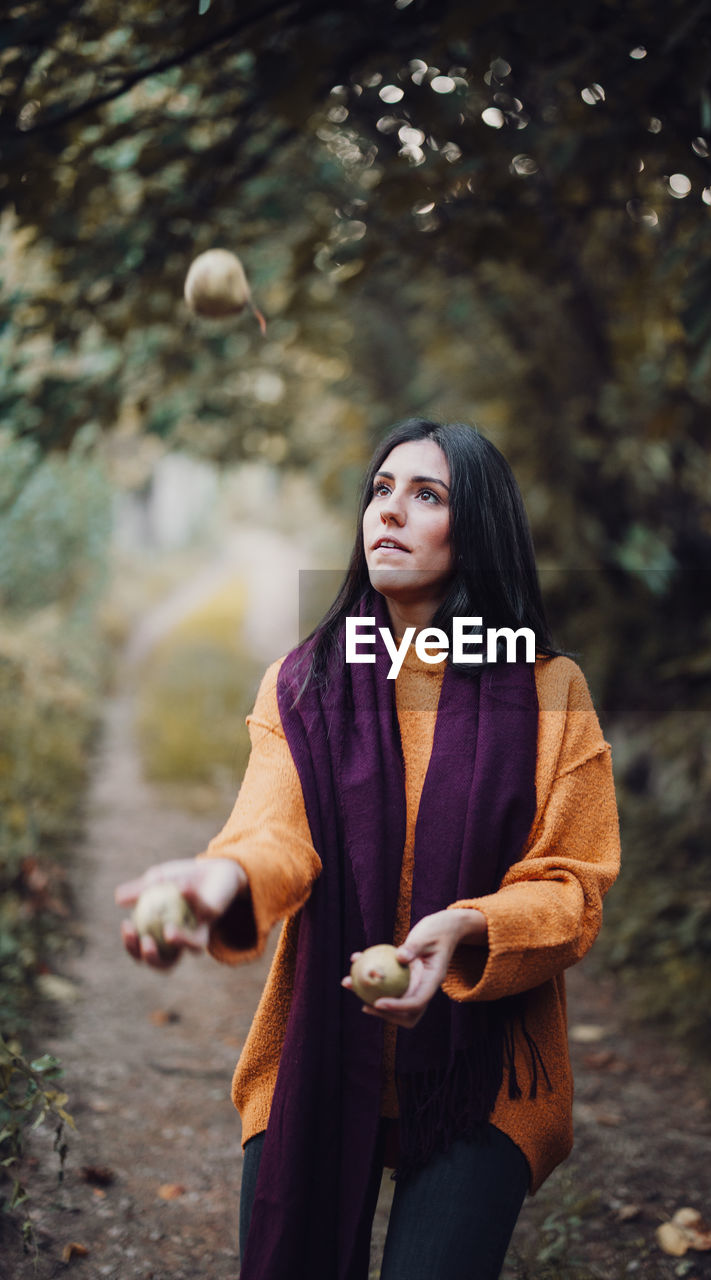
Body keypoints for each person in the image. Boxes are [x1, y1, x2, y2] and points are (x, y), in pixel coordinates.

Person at [116, 418, 621, 1280]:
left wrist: (464, 928)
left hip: (482, 1077)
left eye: (426, 496)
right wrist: (219, 877)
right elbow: (276, 831)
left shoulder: (548, 689)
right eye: (380, 490)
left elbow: (570, 887)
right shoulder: (305, 680)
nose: (388, 512)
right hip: (313, 1058)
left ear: (478, 531)